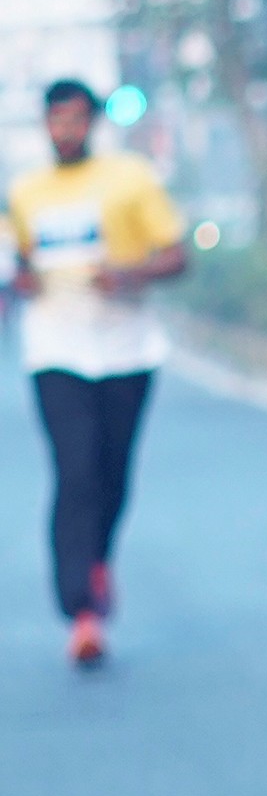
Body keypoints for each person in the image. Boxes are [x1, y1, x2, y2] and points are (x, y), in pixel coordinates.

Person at [7, 79, 187, 668]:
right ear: (45, 124)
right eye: (56, 119)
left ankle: (97, 560)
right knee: (75, 469)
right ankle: (81, 610)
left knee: (112, 474)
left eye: (77, 119)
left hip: (125, 347)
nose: (66, 130)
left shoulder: (131, 180)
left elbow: (176, 255)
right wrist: (20, 280)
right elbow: (16, 264)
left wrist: (129, 275)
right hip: (56, 348)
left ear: (94, 123)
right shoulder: (25, 192)